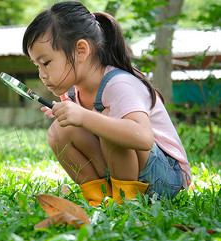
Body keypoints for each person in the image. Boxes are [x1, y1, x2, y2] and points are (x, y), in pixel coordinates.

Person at [22, 1, 191, 206]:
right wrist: (71, 116)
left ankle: (125, 201)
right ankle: (98, 198)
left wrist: (84, 116)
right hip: (124, 170)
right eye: (37, 66)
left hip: (164, 178)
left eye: (46, 63)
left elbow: (143, 138)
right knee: (59, 130)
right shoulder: (73, 92)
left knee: (109, 120)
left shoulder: (118, 84)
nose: (42, 75)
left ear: (81, 50)